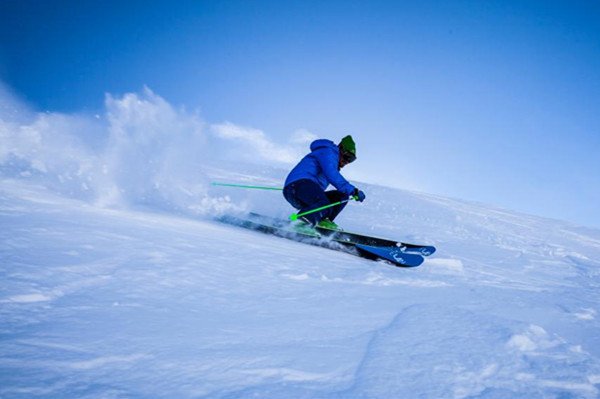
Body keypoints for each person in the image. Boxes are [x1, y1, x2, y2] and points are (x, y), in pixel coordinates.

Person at [283, 135, 366, 230]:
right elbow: (332, 174)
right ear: (340, 149)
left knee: (341, 197)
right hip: (297, 186)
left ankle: (322, 221)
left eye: (351, 160)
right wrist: (353, 190)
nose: (346, 162)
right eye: (347, 157)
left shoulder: (334, 162)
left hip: (307, 192)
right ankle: (301, 223)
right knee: (323, 202)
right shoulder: (329, 152)